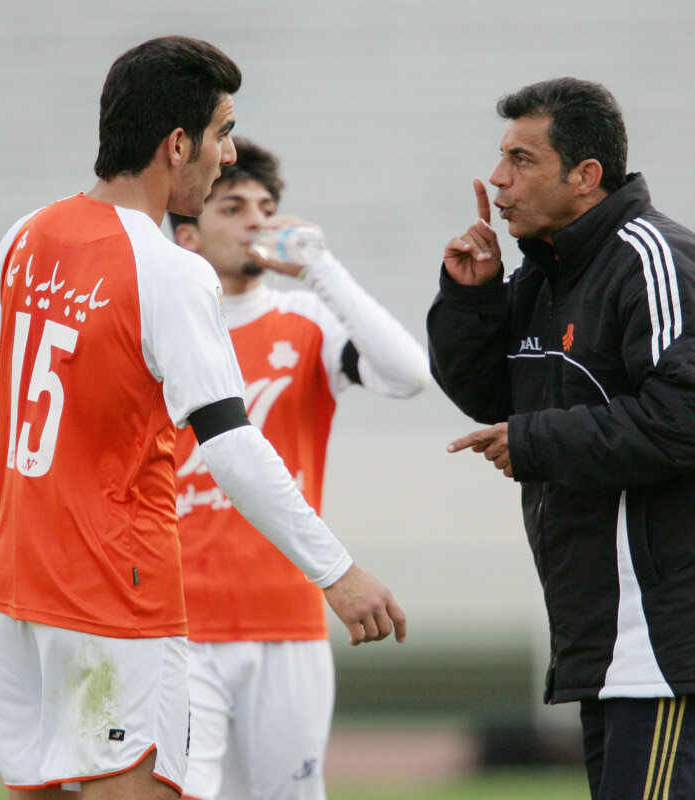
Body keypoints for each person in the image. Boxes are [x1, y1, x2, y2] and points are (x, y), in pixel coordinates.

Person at [0, 36, 405, 800]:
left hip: (12, 591)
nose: (229, 155)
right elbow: (230, 447)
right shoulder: (168, 270)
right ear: (177, 144)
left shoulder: (32, 233)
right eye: (223, 133)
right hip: (111, 594)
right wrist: (337, 572)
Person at [426, 77, 695, 800]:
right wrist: (473, 298)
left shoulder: (659, 259)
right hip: (609, 639)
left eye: (522, 159)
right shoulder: (546, 274)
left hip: (669, 637)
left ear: (585, 176)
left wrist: (537, 442)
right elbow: (496, 395)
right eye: (502, 157)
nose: (498, 179)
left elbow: (688, 417)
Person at [166, 137, 429, 800]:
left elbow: (408, 375)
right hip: (178, 624)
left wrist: (322, 269)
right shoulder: (162, 328)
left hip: (287, 619)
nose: (256, 222)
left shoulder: (305, 319)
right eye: (232, 208)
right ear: (188, 235)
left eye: (265, 207)